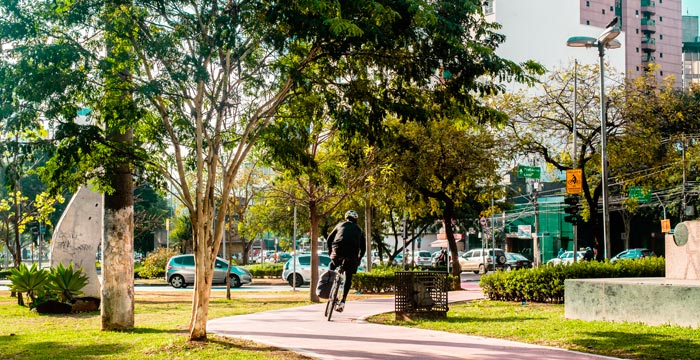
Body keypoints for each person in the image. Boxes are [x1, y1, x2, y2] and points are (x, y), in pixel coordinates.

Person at [326, 210, 366, 312]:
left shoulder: (340, 225)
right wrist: (359, 259)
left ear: (346, 218)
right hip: (352, 255)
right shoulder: (360, 230)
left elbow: (329, 239)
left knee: (332, 264)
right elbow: (363, 248)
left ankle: (329, 283)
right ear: (356, 220)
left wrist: (330, 252)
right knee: (349, 276)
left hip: (338, 251)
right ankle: (343, 301)